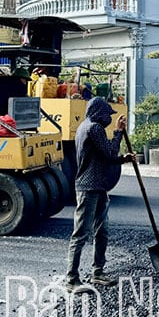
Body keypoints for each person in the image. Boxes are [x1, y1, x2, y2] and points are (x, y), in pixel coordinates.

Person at [66, 97, 133, 292]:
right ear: (98, 113)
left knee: (101, 231)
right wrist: (119, 132)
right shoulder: (93, 128)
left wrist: (123, 159)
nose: (108, 119)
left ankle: (98, 272)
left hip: (98, 187)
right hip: (88, 188)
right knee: (81, 234)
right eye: (107, 115)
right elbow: (110, 152)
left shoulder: (84, 127)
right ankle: (71, 279)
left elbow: (103, 157)